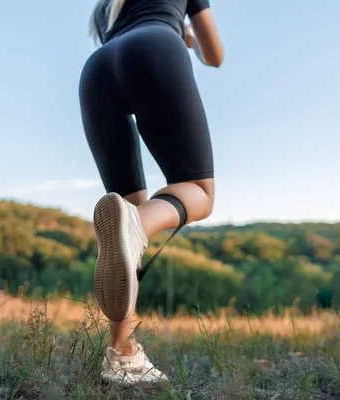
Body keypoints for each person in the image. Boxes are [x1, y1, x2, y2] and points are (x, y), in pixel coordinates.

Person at [78, 0, 223, 385]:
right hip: (155, 48)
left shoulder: (104, 6)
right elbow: (215, 55)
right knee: (199, 193)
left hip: (95, 71)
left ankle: (122, 355)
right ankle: (135, 223)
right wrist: (189, 37)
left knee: (126, 244)